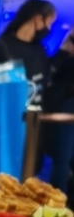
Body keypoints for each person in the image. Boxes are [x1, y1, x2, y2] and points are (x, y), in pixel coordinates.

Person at [0, 0, 56, 108]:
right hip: (8, 115)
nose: (49, 29)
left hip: (35, 116)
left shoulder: (40, 51)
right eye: (49, 23)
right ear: (38, 19)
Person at [43, 29, 74, 203]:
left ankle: (58, 202)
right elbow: (50, 71)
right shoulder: (63, 60)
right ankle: (57, 203)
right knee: (62, 159)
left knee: (63, 159)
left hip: (65, 108)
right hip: (62, 109)